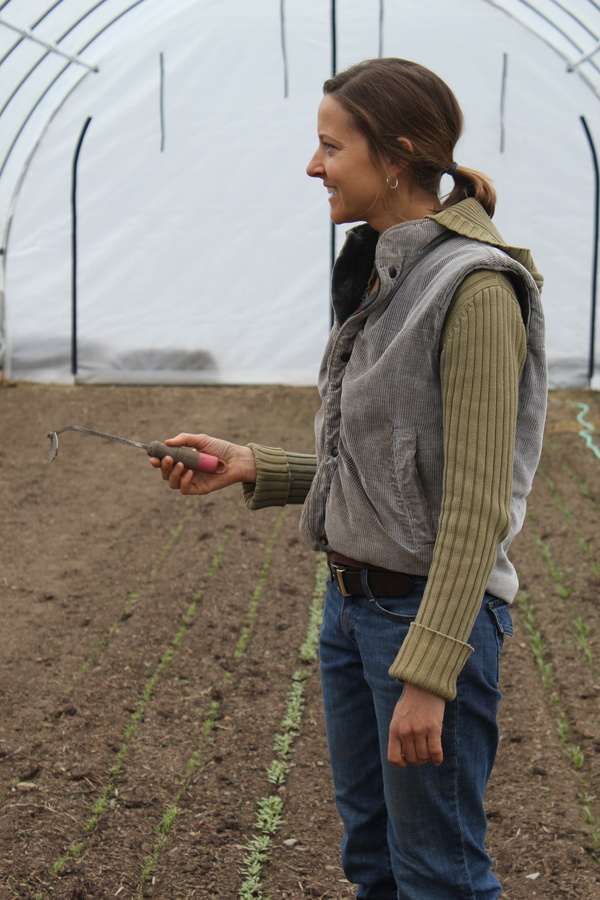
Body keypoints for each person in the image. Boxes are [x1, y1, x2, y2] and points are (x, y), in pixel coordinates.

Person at [151, 58, 547, 900]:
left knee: (438, 874)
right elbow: (387, 465)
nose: (311, 165)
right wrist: (255, 465)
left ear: (397, 154)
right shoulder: (382, 268)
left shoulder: (473, 289)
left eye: (329, 146)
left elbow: (475, 509)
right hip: (352, 606)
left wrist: (430, 673)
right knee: (372, 860)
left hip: (424, 620)